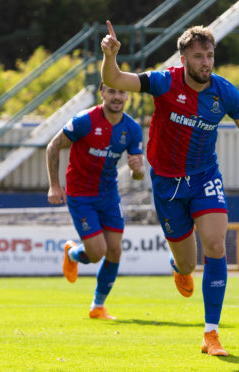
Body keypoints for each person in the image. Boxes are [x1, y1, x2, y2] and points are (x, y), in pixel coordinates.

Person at [101, 20, 239, 356]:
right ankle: (179, 267)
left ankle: (211, 333)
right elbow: (114, 79)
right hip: (166, 184)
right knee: (189, 264)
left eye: (209, 55)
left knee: (216, 244)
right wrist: (111, 57)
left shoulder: (225, 92)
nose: (205, 62)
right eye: (198, 56)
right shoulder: (164, 82)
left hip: (205, 177)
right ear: (184, 59)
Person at [46, 82, 145, 320]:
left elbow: (138, 174)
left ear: (127, 96)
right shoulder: (84, 120)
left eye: (121, 91)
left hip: (109, 194)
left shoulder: (132, 129)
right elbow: (53, 146)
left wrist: (138, 169)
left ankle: (97, 306)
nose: (117, 96)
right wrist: (54, 185)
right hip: (80, 195)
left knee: (115, 251)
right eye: (111, 91)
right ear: (102, 93)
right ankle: (73, 254)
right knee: (98, 252)